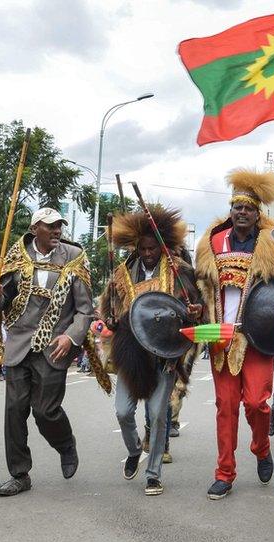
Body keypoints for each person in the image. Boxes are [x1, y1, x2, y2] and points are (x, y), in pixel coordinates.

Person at [0, 207, 93, 497]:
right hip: (19, 344)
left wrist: (71, 338)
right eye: (50, 226)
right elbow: (4, 298)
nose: (57, 230)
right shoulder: (17, 255)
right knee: (14, 411)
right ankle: (19, 474)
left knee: (45, 411)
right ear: (35, 229)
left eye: (59, 225)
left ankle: (65, 444)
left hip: (54, 346)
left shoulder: (74, 258)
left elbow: (85, 310)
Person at [100, 205, 202, 496]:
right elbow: (107, 306)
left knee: (158, 413)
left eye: (152, 248)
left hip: (165, 353)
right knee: (123, 412)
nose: (147, 254)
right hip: (130, 353)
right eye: (142, 249)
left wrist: (195, 312)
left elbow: (195, 310)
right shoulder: (121, 273)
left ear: (162, 246)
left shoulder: (180, 273)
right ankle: (134, 450)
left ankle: (153, 473)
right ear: (136, 247)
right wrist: (109, 318)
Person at [195, 169, 274, 500]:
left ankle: (261, 447)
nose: (241, 213)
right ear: (230, 210)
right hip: (222, 337)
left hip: (257, 339)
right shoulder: (215, 242)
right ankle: (224, 473)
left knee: (258, 403)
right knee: (226, 406)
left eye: (247, 208)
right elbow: (202, 286)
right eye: (236, 207)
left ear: (258, 213)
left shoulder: (271, 244)